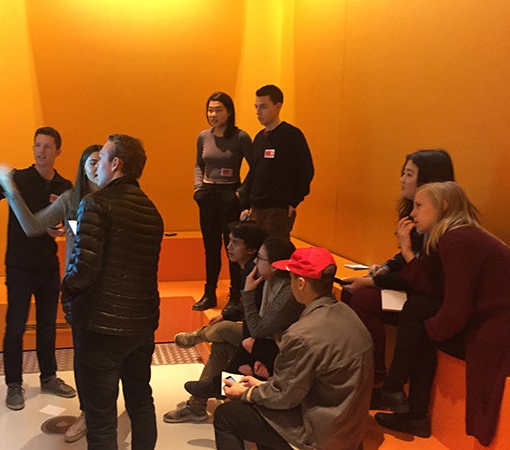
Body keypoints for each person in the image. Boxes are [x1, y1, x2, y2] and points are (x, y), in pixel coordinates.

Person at [372, 182, 510, 446]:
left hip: (497, 334)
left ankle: (400, 397)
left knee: (420, 317)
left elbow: (456, 305)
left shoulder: (458, 240)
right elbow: (432, 287)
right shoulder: (456, 236)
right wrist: (407, 251)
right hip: (488, 323)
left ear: (444, 206)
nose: (413, 213)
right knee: (421, 313)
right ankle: (408, 408)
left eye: (419, 205)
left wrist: (431, 328)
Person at [0, 127, 76, 411]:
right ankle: (14, 384)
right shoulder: (18, 179)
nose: (41, 151)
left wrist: (59, 230)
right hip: (20, 266)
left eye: (48, 146)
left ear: (58, 151)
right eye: (37, 145)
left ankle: (48, 377)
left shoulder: (65, 185)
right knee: (15, 328)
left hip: (48, 266)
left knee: (48, 325)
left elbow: (71, 224)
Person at [214, 247, 374, 450]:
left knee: (227, 415)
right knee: (261, 407)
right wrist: (261, 387)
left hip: (321, 432)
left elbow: (283, 397)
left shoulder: (302, 334)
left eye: (290, 278)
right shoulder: (349, 315)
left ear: (300, 283)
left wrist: (246, 393)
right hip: (347, 426)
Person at [61, 134, 163, 449]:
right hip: (142, 325)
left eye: (102, 158)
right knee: (141, 403)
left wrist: (66, 290)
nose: (98, 166)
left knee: (101, 419)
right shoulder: (151, 210)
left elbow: (85, 267)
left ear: (116, 164)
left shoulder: (95, 203)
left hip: (101, 328)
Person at [0, 144, 100, 442]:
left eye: (101, 160)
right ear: (82, 166)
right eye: (90, 161)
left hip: (109, 289)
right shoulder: (71, 197)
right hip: (78, 286)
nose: (96, 166)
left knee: (109, 358)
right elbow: (33, 225)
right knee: (83, 353)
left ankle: (105, 411)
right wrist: (9, 188)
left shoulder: (115, 198)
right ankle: (87, 414)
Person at [343, 149, 455, 384]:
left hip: (430, 300)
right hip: (417, 290)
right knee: (348, 291)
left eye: (409, 174)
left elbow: (420, 274)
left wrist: (374, 280)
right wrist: (382, 269)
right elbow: (404, 261)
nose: (402, 180)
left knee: (363, 299)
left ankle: (376, 377)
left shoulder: (444, 228)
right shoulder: (417, 217)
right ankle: (349, 370)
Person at [163, 221, 266, 424]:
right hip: (250, 332)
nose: (229, 247)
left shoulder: (256, 273)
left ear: (252, 249)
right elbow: (248, 306)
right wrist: (227, 314)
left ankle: (198, 336)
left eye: (235, 243)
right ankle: (197, 406)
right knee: (219, 344)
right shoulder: (246, 269)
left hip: (261, 339)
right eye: (229, 241)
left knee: (223, 329)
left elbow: (258, 314)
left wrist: (229, 317)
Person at [183, 238, 303, 400]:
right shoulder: (268, 281)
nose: (255, 261)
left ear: (275, 266)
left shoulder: (286, 292)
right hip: (268, 339)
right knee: (225, 341)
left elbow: (258, 329)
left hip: (282, 346)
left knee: (235, 336)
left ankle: (217, 383)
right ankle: (213, 389)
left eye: (260, 258)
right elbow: (256, 325)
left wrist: (248, 293)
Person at [192, 92, 253, 313]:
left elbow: (255, 168)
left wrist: (241, 193)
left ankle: (235, 295)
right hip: (207, 194)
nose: (213, 114)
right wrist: (198, 188)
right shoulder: (203, 136)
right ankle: (209, 293)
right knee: (210, 248)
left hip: (230, 194)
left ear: (229, 111)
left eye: (218, 110)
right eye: (210, 110)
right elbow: (198, 164)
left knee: (233, 247)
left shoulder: (241, 137)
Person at [239, 84, 314, 242]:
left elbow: (306, 171)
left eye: (264, 107)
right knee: (255, 255)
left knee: (274, 256)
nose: (258, 112)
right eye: (256, 107)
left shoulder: (292, 136)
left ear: (278, 106)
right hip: (256, 208)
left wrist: (294, 201)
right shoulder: (260, 137)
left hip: (278, 209)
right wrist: (245, 200)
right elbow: (254, 172)